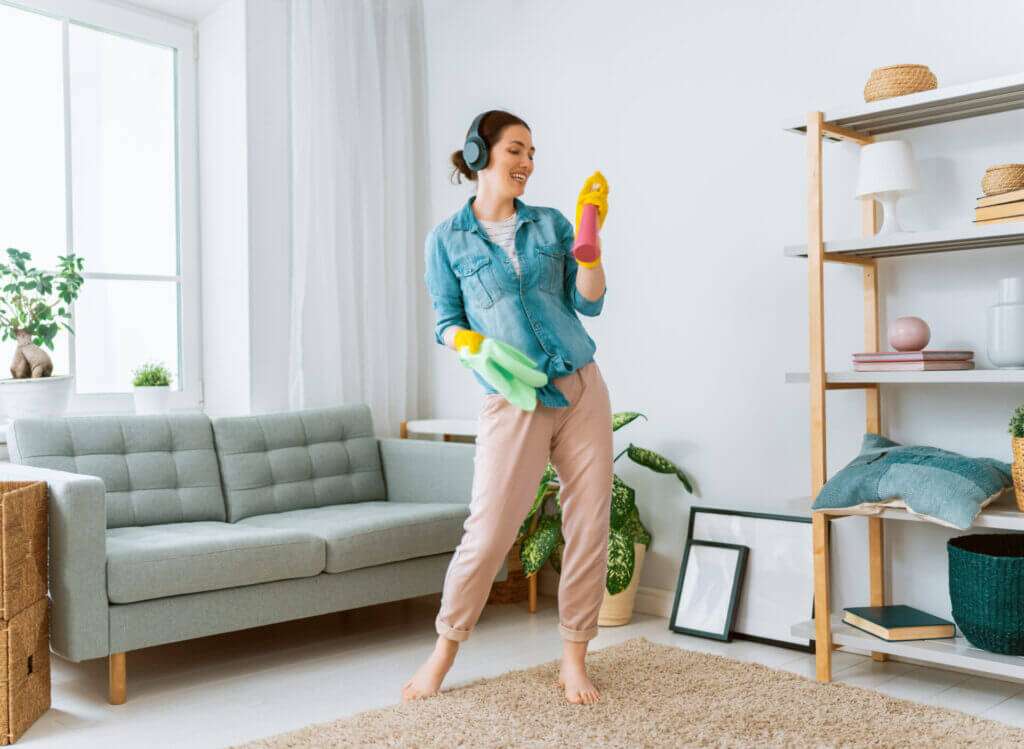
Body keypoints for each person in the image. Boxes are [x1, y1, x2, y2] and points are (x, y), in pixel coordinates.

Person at [403, 110, 613, 705]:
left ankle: (574, 657)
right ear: (481, 153)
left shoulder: (550, 224)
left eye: (532, 153)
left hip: (580, 387)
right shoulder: (446, 240)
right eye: (516, 150)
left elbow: (589, 304)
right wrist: (465, 340)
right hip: (512, 396)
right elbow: (446, 321)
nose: (527, 163)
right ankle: (444, 650)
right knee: (490, 532)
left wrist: (591, 251)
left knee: (587, 523)